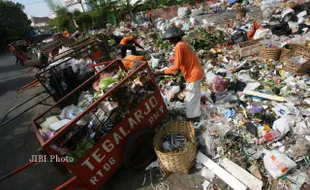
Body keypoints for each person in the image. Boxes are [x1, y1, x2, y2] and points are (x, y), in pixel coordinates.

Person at [155, 26, 204, 122]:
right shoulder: (183, 43)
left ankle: (192, 120)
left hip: (193, 74)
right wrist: (173, 60)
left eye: (170, 39)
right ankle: (196, 115)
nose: (169, 41)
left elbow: (176, 67)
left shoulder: (179, 46)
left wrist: (162, 72)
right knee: (195, 96)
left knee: (190, 99)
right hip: (197, 71)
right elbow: (185, 58)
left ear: (175, 37)